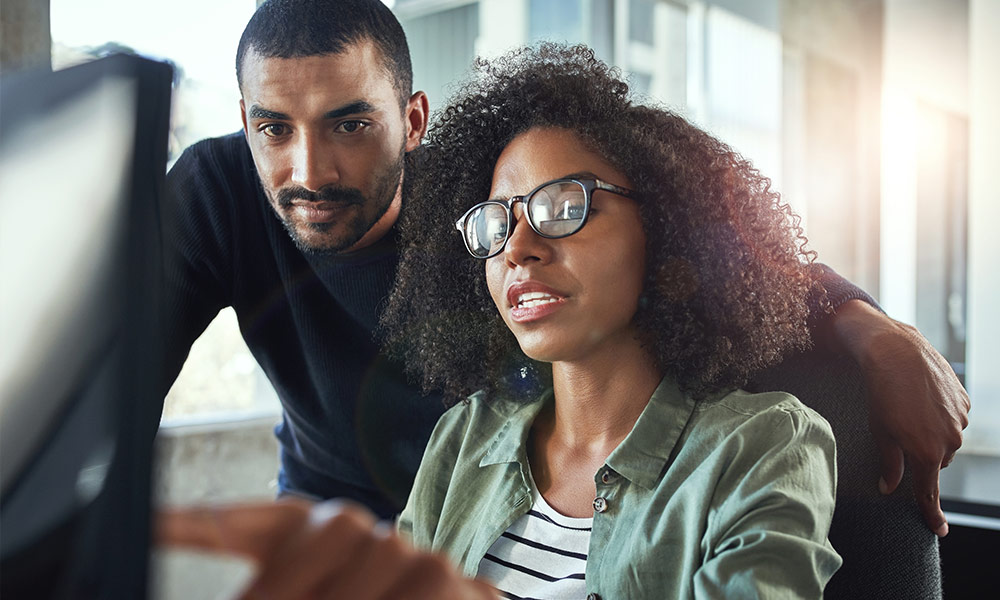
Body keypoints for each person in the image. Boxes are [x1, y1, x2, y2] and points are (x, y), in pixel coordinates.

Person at [161, 0, 967, 534]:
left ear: (411, 121)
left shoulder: (488, 203)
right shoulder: (216, 191)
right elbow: (109, 373)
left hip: (494, 520)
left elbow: (716, 239)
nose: (310, 170)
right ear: (244, 121)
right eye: (273, 129)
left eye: (348, 124)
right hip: (328, 525)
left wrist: (872, 329)